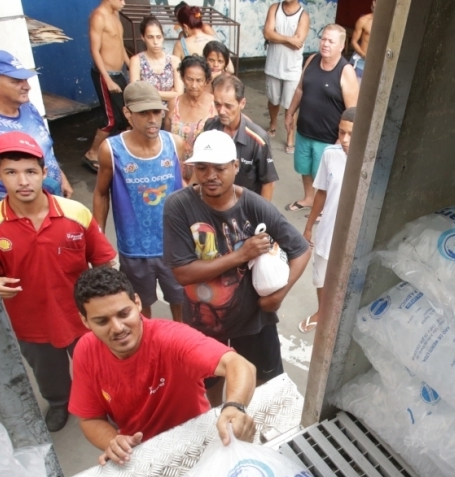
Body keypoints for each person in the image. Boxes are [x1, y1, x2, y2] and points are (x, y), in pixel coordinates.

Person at [0, 132, 116, 432]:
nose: (22, 181)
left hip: (82, 317)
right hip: (30, 321)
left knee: (98, 364)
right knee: (47, 372)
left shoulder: (75, 213)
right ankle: (58, 403)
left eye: (30, 172)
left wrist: (108, 306)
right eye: (11, 172)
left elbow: (103, 260)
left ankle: (106, 401)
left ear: (44, 173)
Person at [164, 130, 310, 402]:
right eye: (202, 167)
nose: (210, 175)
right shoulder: (179, 206)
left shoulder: (254, 206)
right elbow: (183, 273)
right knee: (208, 388)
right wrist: (240, 255)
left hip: (253, 322)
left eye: (220, 168)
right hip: (203, 324)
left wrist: (279, 295)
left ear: (235, 166)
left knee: (265, 386)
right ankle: (219, 430)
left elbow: (300, 248)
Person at [70, 266, 257, 466]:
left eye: (124, 314)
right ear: (85, 321)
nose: (117, 328)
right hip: (137, 454)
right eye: (102, 321)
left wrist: (235, 406)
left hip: (196, 439)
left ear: (137, 303)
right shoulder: (85, 350)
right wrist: (112, 441)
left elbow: (238, 364)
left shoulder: (171, 338)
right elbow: (90, 418)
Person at [93, 82, 187, 324]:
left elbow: (184, 186)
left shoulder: (175, 145)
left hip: (174, 247)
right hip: (134, 251)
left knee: (182, 303)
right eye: (144, 113)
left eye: (156, 112)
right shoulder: (111, 150)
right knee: (140, 309)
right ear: (127, 114)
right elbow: (101, 193)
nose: (152, 119)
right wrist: (98, 237)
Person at [0, 50, 72, 210]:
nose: (27, 87)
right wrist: (2, 224)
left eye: (25, 80)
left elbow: (45, 149)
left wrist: (61, 177)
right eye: (16, 81)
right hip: (19, 216)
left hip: (52, 204)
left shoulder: (27, 107)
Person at [284, 25, 358, 212]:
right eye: (323, 39)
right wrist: (290, 112)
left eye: (331, 41)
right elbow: (300, 88)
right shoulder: (311, 60)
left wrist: (343, 138)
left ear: (341, 46)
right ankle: (309, 198)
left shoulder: (345, 71)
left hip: (327, 137)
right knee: (305, 168)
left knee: (325, 176)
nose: (325, 44)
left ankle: (324, 208)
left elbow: (352, 110)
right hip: (304, 131)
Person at [299, 107, 353, 334]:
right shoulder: (331, 154)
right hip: (328, 230)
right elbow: (321, 193)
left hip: (353, 235)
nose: (345, 140)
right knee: (320, 276)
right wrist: (309, 227)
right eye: (341, 133)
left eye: (351, 134)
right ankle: (322, 311)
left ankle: (342, 317)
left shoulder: (373, 161)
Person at [204, 75, 279, 201]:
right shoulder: (209, 128)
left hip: (245, 211)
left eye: (228, 106)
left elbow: (268, 183)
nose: (221, 111)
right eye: (217, 104)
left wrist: (261, 217)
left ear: (242, 103)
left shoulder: (258, 139)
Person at [83, 0, 129, 172]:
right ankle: (92, 154)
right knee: (111, 119)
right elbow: (95, 50)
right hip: (105, 76)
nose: (124, 3)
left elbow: (119, 43)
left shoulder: (115, 13)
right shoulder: (98, 17)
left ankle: (120, 152)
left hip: (118, 74)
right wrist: (107, 79)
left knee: (127, 114)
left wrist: (130, 63)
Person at [263, 0, 309, 146]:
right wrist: (289, 39)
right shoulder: (274, 9)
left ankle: (290, 136)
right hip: (273, 65)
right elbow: (267, 33)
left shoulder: (303, 16)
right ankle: (273, 123)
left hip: (292, 68)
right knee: (273, 100)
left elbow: (298, 44)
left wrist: (275, 36)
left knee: (291, 105)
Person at [165, 55, 215, 183]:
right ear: (182, 78)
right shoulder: (173, 103)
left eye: (199, 80)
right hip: (176, 173)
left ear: (206, 81)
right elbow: (166, 141)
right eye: (189, 79)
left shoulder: (214, 105)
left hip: (205, 174)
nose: (194, 85)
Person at [129, 16, 183, 103]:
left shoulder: (174, 61)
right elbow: (136, 93)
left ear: (163, 37)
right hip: (147, 112)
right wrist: (170, 94)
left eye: (158, 37)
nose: (155, 42)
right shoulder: (136, 61)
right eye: (150, 37)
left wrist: (148, 93)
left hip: (171, 112)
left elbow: (179, 94)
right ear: (143, 37)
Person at [350, 1, 375, 82]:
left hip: (378, 63)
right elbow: (353, 41)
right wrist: (363, 55)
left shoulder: (389, 23)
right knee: (356, 90)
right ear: (374, 3)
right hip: (361, 62)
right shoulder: (363, 20)